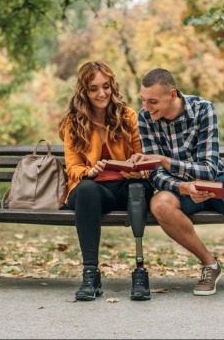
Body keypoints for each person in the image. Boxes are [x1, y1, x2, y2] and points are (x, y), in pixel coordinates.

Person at [131, 68, 224, 307]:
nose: (147, 107)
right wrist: (183, 187)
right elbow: (155, 174)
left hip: (217, 181)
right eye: (143, 100)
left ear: (172, 94)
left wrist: (167, 161)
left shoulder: (203, 109)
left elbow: (209, 169)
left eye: (153, 101)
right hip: (180, 190)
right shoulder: (144, 117)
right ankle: (210, 264)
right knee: (159, 203)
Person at [58, 60, 153, 301]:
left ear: (112, 86)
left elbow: (142, 156)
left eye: (106, 86)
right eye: (93, 88)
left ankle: (140, 272)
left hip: (125, 186)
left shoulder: (128, 116)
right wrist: (88, 172)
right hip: (94, 191)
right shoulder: (74, 122)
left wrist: (138, 170)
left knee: (138, 188)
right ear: (84, 92)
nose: (102, 93)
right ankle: (90, 274)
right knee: (88, 189)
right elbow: (72, 167)